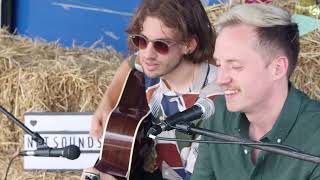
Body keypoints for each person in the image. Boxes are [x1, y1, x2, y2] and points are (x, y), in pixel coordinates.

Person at [81, 0, 221, 179]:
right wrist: (106, 103)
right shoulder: (154, 69)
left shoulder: (213, 101)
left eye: (161, 45)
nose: (147, 53)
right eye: (141, 41)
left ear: (189, 45)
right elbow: (131, 62)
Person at [192, 3, 320, 180]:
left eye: (235, 66)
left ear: (277, 68)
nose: (221, 79)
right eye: (219, 65)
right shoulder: (218, 114)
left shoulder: (315, 136)